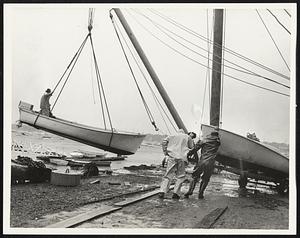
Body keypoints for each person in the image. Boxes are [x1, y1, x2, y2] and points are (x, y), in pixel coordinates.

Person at [184, 128, 221, 199]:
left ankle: (190, 191)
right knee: (206, 179)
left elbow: (195, 148)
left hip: (202, 161)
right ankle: (201, 193)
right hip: (211, 162)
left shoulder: (204, 140)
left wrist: (188, 154)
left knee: (194, 176)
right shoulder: (217, 142)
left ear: (210, 134)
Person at [158, 129, 195, 199]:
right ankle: (176, 193)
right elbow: (191, 147)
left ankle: (162, 191)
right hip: (182, 158)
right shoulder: (187, 137)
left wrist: (166, 152)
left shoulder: (171, 135)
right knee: (180, 176)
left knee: (168, 175)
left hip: (172, 157)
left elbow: (164, 142)